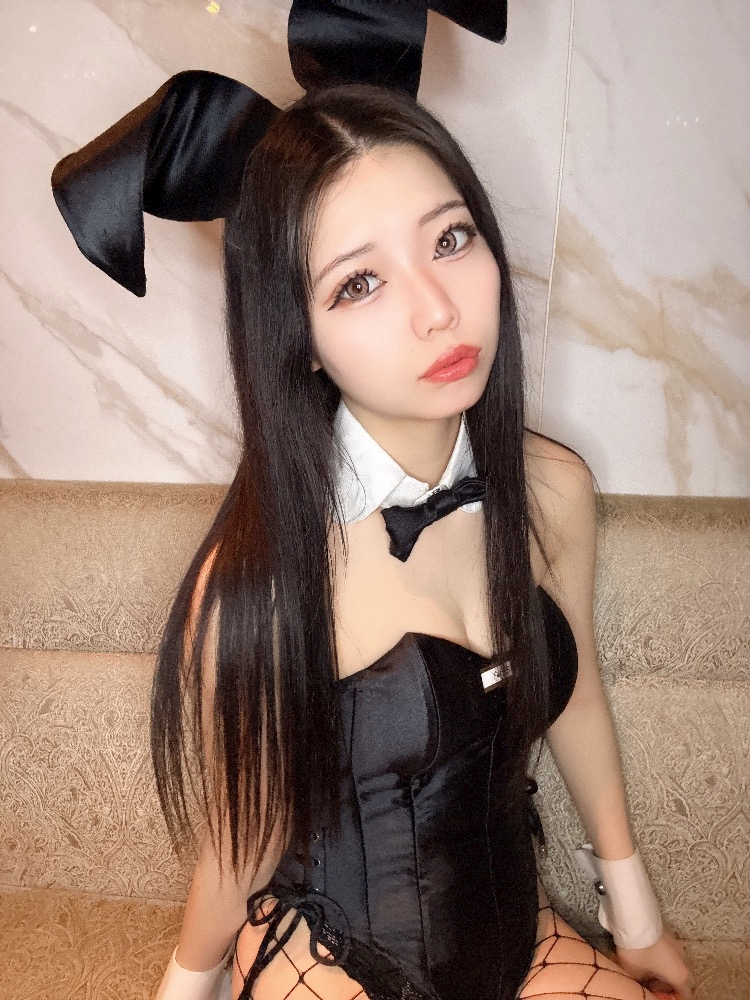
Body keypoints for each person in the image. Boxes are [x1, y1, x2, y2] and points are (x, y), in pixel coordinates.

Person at [146, 84, 693, 1000]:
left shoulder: (553, 490)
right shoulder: (267, 576)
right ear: (300, 338)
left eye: (450, 239)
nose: (438, 309)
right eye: (359, 283)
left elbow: (578, 699)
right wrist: (184, 989)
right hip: (329, 955)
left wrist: (636, 919)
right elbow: (242, 837)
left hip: (514, 937)